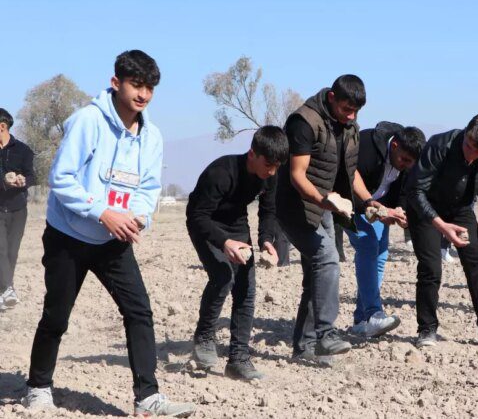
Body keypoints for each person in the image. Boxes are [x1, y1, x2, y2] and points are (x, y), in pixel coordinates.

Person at [22, 50, 194, 417]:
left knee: (139, 311)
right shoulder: (88, 121)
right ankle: (37, 388)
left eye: (150, 87)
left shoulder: (152, 137)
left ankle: (148, 398)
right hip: (68, 236)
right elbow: (61, 179)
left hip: (113, 241)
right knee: (57, 315)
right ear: (116, 83)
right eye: (137, 84)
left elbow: (148, 188)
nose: (143, 94)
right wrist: (102, 211)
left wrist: (140, 218)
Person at [271, 74, 390, 362]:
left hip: (325, 206)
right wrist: (324, 200)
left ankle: (305, 347)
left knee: (317, 274)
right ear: (332, 98)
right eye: (346, 109)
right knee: (327, 259)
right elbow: (297, 175)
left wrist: (369, 200)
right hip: (296, 206)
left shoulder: (350, 127)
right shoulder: (304, 122)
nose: (351, 116)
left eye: (356, 111)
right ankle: (326, 334)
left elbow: (352, 173)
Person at [406, 113, 478, 348]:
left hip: (460, 208)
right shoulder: (439, 145)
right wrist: (441, 226)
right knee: (431, 268)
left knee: (477, 262)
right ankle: (427, 329)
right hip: (426, 207)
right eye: (469, 145)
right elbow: (415, 191)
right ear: (466, 132)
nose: (470, 153)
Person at [187, 126, 288, 380]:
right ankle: (204, 337)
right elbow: (197, 216)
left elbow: (268, 210)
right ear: (252, 153)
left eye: (277, 166)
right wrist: (224, 242)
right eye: (269, 165)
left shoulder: (271, 174)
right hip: (206, 223)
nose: (272, 172)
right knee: (222, 276)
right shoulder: (221, 172)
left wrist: (266, 240)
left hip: (236, 224)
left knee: (246, 288)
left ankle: (238, 360)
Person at [346, 122, 426, 338]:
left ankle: (362, 320)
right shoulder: (367, 146)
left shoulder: (407, 162)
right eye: (403, 160)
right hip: (349, 204)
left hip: (379, 206)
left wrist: (399, 211)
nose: (405, 165)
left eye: (411, 163)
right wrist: (378, 209)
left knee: (380, 254)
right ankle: (373, 313)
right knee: (368, 245)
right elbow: (349, 179)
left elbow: (402, 188)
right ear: (395, 145)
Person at [0, 108, 34, 311]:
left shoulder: (24, 150)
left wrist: (23, 181)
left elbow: (32, 176)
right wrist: (4, 181)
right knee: (0, 250)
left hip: (18, 209)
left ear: (2, 126)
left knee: (11, 252)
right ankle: (8, 289)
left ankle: (4, 291)